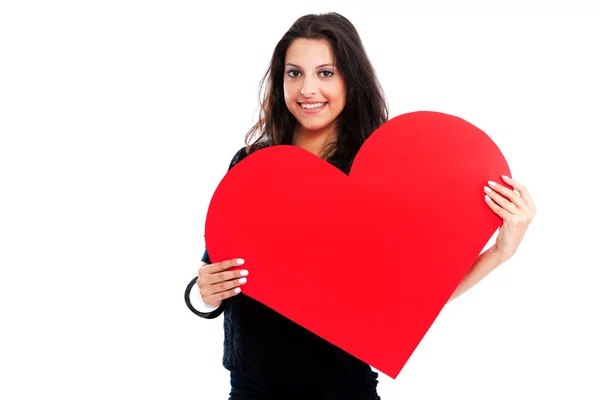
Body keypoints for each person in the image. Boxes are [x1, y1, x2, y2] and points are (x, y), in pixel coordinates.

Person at [184, 12, 537, 400]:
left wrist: (500, 252)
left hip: (342, 389)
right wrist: (205, 291)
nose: (307, 89)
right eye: (294, 73)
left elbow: (415, 300)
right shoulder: (249, 164)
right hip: (250, 389)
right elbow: (215, 268)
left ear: (350, 79)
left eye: (325, 73)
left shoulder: (381, 179)